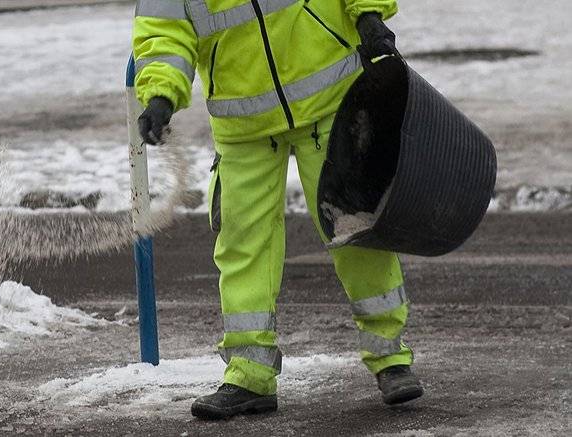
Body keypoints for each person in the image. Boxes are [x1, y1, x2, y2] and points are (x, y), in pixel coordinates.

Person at [133, 0, 423, 420]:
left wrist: (369, 13)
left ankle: (390, 357)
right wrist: (161, 93)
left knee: (353, 229)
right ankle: (249, 375)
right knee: (243, 246)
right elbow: (162, 31)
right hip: (243, 122)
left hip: (328, 99)